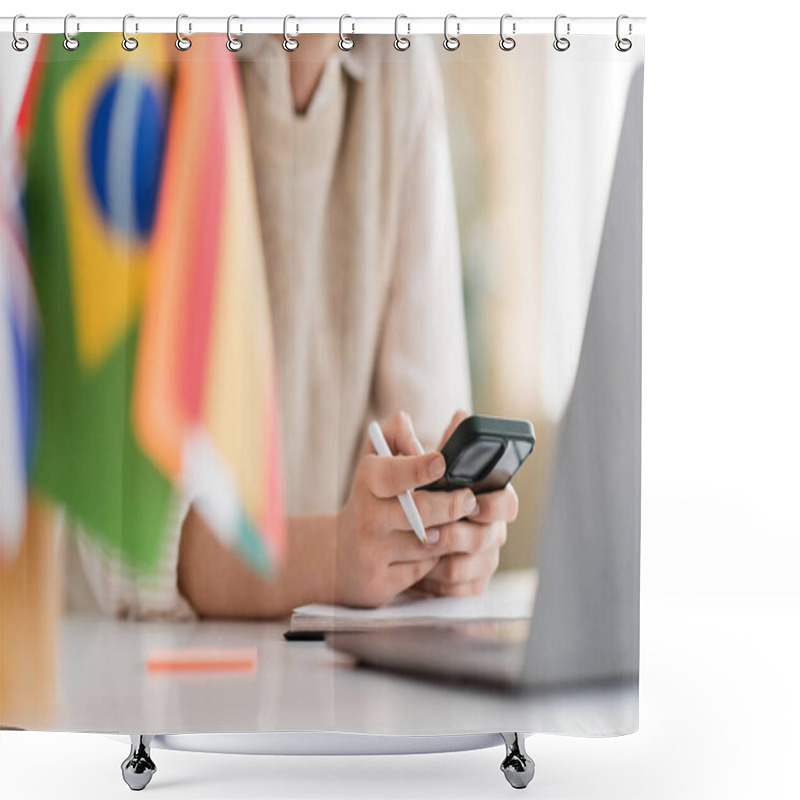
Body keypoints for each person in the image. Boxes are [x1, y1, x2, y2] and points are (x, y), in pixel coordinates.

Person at [65, 34, 518, 620]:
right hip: (132, 670)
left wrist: (445, 539)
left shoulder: (400, 65)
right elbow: (113, 536)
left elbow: (429, 435)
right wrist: (330, 556)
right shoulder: (143, 51)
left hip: (322, 667)